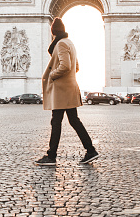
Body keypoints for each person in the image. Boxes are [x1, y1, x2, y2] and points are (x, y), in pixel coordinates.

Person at [35, 17, 99, 166]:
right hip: (69, 88)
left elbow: (66, 66)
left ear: (53, 32)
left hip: (61, 91)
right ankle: (90, 150)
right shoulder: (70, 43)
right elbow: (76, 67)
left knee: (56, 122)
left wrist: (52, 75)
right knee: (73, 120)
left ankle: (51, 156)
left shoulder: (61, 44)